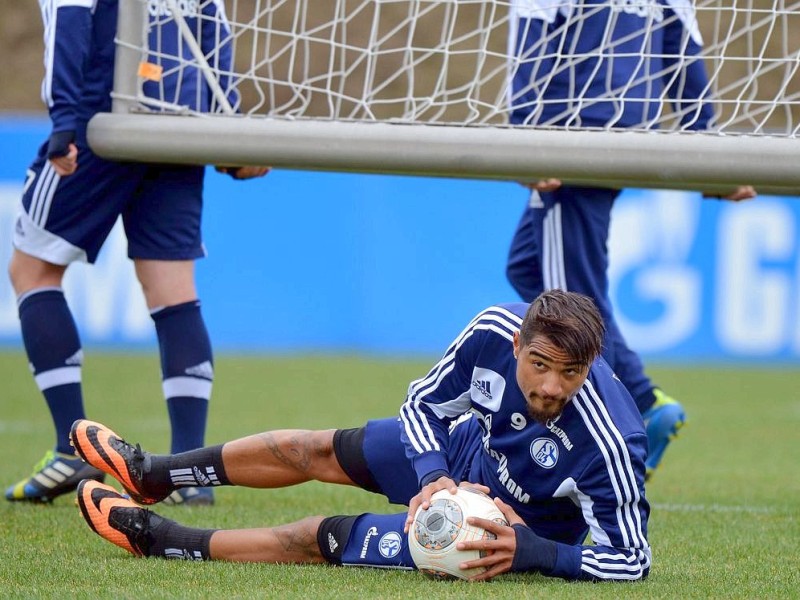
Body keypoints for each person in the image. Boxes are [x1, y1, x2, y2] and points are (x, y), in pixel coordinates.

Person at [71, 290, 651, 582]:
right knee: (317, 449)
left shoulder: (612, 444)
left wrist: (538, 552)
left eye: (570, 374)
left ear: (594, 361)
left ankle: (165, 538)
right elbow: (423, 403)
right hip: (467, 455)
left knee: (322, 535)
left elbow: (633, 560)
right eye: (540, 365)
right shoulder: (494, 330)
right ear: (518, 345)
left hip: (498, 533)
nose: (551, 387)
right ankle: (154, 474)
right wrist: (433, 476)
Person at [4, 0, 268, 505]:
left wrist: (64, 120)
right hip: (179, 127)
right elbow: (212, 28)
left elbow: (71, 18)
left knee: (32, 269)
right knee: (172, 292)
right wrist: (228, 127)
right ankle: (189, 475)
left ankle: (71, 448)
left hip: (105, 118)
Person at [504, 0, 756, 479]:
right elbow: (682, 54)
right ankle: (644, 397)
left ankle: (615, 438)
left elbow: (532, 35)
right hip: (625, 132)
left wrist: (525, 134)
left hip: (568, 134)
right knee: (527, 267)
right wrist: (708, 145)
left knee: (566, 309)